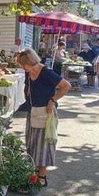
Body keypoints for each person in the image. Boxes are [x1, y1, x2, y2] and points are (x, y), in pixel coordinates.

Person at [17, 48, 71, 187]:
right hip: (33, 112)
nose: (23, 68)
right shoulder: (29, 73)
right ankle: (34, 172)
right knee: (32, 142)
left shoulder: (47, 73)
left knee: (44, 145)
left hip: (45, 113)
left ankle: (42, 177)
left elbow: (66, 86)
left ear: (30, 62)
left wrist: (52, 100)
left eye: (23, 65)